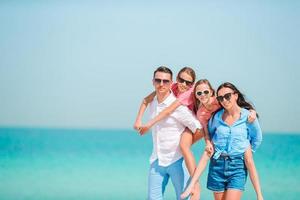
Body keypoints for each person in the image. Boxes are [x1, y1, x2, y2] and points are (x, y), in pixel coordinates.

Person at [134, 67, 210, 199]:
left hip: (177, 161)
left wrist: (185, 144)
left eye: (165, 81)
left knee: (183, 198)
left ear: (170, 83)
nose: (161, 84)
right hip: (157, 160)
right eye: (158, 80)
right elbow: (145, 100)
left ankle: (196, 186)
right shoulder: (153, 101)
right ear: (153, 82)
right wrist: (138, 120)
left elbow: (199, 128)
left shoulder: (179, 107)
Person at [181, 82, 263, 200]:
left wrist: (246, 149)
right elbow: (209, 134)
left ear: (235, 95)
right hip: (217, 165)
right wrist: (209, 143)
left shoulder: (248, 116)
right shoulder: (215, 117)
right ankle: (191, 185)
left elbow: (257, 138)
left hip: (237, 167)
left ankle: (191, 185)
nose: (224, 100)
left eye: (227, 96)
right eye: (221, 98)